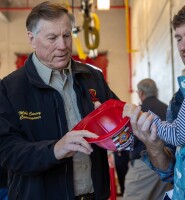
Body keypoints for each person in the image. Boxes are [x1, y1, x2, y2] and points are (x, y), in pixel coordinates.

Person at [0, 1, 120, 200]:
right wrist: (56, 149)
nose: (63, 45)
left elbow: (118, 119)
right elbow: (6, 152)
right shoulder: (9, 89)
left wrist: (127, 120)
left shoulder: (92, 77)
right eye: (52, 38)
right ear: (32, 38)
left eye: (67, 35)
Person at [123, 2, 185, 199]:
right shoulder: (181, 95)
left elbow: (176, 135)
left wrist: (144, 117)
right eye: (178, 38)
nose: (183, 46)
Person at [123, 78, 172, 200]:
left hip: (143, 165)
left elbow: (129, 140)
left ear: (141, 93)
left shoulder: (137, 111)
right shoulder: (168, 108)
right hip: (168, 165)